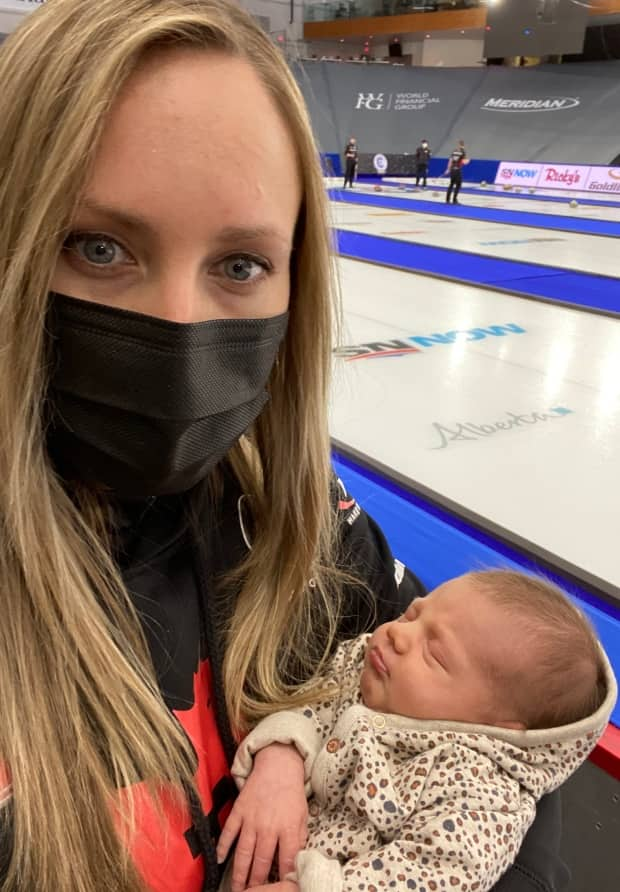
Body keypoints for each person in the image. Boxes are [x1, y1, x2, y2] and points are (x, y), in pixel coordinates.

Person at [0, 2, 569, 892]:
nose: (178, 328)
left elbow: (496, 744)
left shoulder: (292, 510)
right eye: (97, 246)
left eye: (240, 265)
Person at [220, 570, 617, 892]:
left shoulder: (480, 795)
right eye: (413, 614)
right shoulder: (370, 667)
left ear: (492, 728)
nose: (398, 633)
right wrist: (281, 760)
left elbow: (432, 876)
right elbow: (311, 701)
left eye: (435, 654)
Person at [446, 139, 468, 205]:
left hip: (452, 170)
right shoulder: (463, 152)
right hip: (457, 170)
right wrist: (468, 161)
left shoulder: (454, 152)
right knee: (458, 185)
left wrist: (448, 169)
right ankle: (454, 200)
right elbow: (464, 162)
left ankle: (447, 200)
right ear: (463, 145)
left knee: (451, 184)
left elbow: (450, 161)